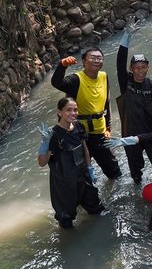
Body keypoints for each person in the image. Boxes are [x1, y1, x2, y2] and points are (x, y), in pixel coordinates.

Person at [51, 47, 121, 179]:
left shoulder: (103, 76)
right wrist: (62, 65)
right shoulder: (75, 79)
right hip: (78, 133)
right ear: (83, 61)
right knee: (80, 171)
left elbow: (107, 101)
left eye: (99, 58)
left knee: (113, 169)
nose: (96, 60)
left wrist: (108, 126)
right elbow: (57, 83)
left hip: (99, 131)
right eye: (92, 57)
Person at [37, 97, 105, 228]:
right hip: (64, 184)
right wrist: (44, 145)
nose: (73, 113)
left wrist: (90, 168)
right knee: (66, 220)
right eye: (68, 110)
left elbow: (84, 148)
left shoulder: (79, 126)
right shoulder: (53, 135)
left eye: (75, 110)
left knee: (97, 210)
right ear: (59, 112)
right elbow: (42, 163)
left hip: (83, 177)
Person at [116, 25, 152, 184]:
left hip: (151, 132)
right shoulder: (126, 83)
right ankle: (137, 182)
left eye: (143, 67)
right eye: (137, 68)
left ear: (148, 68)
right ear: (131, 69)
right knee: (135, 168)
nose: (140, 71)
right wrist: (126, 39)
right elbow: (119, 64)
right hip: (130, 132)